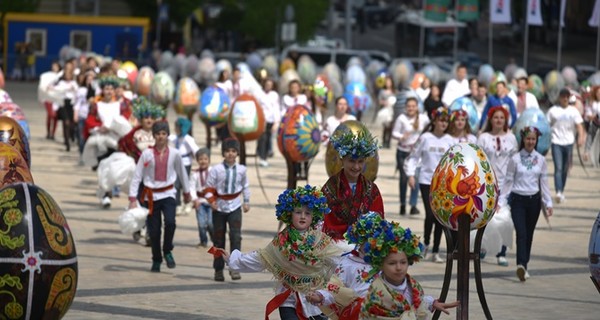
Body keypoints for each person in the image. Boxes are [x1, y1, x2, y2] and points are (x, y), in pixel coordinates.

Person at [219, 185, 340, 320]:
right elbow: (262, 258)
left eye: (308, 213)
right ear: (289, 213)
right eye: (298, 212)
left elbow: (338, 264)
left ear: (314, 216)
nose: (303, 216)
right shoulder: (281, 241)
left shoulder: (321, 241)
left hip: (316, 301)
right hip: (288, 300)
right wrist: (233, 259)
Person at [359, 219, 459, 319]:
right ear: (380, 264)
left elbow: (417, 302)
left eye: (403, 262)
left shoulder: (413, 286)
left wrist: (432, 303)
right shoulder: (375, 294)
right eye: (392, 263)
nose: (398, 268)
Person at [128, 121, 192, 272]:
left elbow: (182, 173)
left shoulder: (175, 154)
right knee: (154, 231)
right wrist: (132, 198)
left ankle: (167, 249)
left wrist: (187, 192)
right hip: (151, 196)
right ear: (154, 136)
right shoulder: (147, 154)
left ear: (168, 135)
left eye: (164, 133)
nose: (161, 137)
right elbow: (137, 176)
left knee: (170, 223)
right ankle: (156, 258)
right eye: (158, 134)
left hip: (168, 193)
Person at [306, 212, 383, 319]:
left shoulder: (386, 264)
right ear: (359, 240)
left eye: (377, 240)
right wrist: (320, 295)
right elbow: (334, 289)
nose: (372, 243)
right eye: (367, 239)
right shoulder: (347, 263)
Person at [501, 126, 553, 281]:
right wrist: (501, 201)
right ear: (522, 139)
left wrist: (548, 202)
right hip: (518, 201)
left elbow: (544, 183)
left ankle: (525, 264)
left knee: (529, 234)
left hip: (534, 201)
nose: (530, 142)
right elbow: (508, 182)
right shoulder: (515, 159)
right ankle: (520, 265)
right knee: (521, 233)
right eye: (528, 138)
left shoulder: (541, 160)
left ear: (536, 140)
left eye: (533, 139)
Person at [405, 107, 454, 263]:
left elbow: (454, 162)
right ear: (434, 121)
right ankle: (426, 244)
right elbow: (413, 157)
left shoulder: (450, 140)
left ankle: (436, 250)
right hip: (426, 181)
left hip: (444, 184)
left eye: (446, 121)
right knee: (430, 214)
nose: (443, 123)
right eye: (441, 120)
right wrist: (411, 175)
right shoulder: (425, 137)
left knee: (440, 217)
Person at [322, 129, 384, 242]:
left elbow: (378, 221)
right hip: (334, 248)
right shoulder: (330, 188)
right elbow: (324, 221)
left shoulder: (372, 190)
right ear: (342, 160)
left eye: (360, 162)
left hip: (364, 249)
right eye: (351, 161)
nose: (356, 167)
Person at [476, 105, 518, 265]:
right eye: (496, 117)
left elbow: (515, 162)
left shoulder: (512, 138)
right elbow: (479, 160)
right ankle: (483, 247)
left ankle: (502, 252)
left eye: (502, 117)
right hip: (487, 184)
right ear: (491, 119)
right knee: (486, 219)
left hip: (506, 185)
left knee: (505, 219)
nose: (499, 120)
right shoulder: (484, 137)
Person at [204, 138, 250, 282]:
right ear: (223, 153)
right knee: (218, 239)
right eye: (227, 151)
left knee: (236, 237)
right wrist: (211, 201)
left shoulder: (242, 170)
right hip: (219, 207)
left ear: (237, 153)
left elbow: (245, 186)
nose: (230, 154)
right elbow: (209, 188)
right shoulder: (216, 170)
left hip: (235, 206)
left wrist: (246, 201)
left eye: (233, 151)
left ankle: (235, 268)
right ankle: (218, 269)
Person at [391, 96, 429, 216]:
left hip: (417, 154)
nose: (411, 108)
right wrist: (401, 136)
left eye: (413, 106)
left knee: (416, 178)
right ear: (405, 108)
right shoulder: (401, 118)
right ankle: (402, 204)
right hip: (403, 151)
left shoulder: (423, 119)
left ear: (417, 107)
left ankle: (413, 205)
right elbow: (394, 133)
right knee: (404, 178)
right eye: (409, 106)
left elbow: (430, 128)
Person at [547, 88, 586, 203]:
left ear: (568, 98)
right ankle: (558, 192)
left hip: (569, 143)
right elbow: (545, 124)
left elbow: (579, 126)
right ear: (559, 98)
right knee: (558, 168)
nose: (564, 99)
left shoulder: (573, 111)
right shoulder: (553, 111)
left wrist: (581, 137)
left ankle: (561, 190)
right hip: (556, 142)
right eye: (562, 96)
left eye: (566, 97)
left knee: (564, 169)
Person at [169, 117, 199, 215]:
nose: (175, 129)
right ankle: (178, 204)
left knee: (185, 184)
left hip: (186, 163)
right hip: (176, 163)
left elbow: (196, 150)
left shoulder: (188, 139)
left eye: (177, 127)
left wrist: (199, 163)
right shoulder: (176, 138)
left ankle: (187, 203)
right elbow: (168, 137)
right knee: (176, 184)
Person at [190, 148, 213, 248]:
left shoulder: (213, 172)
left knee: (211, 223)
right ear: (197, 160)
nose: (203, 161)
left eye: (205, 159)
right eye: (200, 159)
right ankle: (203, 240)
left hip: (211, 202)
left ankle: (215, 239)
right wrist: (194, 199)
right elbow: (191, 187)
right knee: (201, 223)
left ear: (209, 160)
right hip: (200, 201)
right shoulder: (194, 174)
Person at [257, 78, 280, 167]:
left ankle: (265, 156)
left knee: (268, 139)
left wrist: (276, 122)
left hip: (271, 120)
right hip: (262, 119)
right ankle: (261, 157)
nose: (268, 86)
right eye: (267, 85)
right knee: (262, 138)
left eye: (270, 85)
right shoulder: (260, 94)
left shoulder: (274, 95)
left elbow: (276, 108)